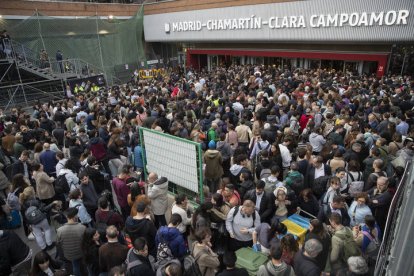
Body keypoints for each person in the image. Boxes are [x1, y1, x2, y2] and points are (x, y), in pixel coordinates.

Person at [57, 207, 86, 276]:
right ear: (75, 216)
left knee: (75, 266)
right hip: (81, 252)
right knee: (85, 264)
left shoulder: (59, 230)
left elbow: (58, 242)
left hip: (69, 254)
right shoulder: (82, 227)